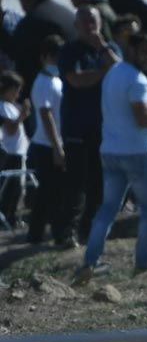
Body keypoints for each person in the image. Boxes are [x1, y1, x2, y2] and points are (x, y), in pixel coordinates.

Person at [74, 32, 147, 284]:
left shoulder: (114, 73)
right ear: (130, 50)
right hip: (137, 152)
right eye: (144, 51)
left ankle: (91, 261)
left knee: (108, 207)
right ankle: (143, 263)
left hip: (110, 151)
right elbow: (142, 119)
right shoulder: (138, 80)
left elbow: (131, 109)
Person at [58, 6, 121, 246]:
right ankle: (66, 231)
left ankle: (90, 229)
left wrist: (102, 48)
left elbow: (119, 73)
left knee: (98, 181)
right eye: (83, 21)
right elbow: (77, 80)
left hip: (103, 127)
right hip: (76, 125)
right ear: (76, 25)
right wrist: (103, 73)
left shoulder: (109, 49)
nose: (89, 25)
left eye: (92, 20)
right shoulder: (70, 51)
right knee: (75, 182)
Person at [26, 35, 69, 244]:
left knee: (47, 192)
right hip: (46, 144)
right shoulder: (43, 82)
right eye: (54, 57)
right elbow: (45, 114)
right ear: (44, 57)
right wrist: (57, 146)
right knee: (54, 192)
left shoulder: (57, 80)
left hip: (55, 142)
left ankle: (35, 234)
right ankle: (59, 234)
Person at [13, 0, 76, 93]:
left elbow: (22, 64)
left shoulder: (29, 23)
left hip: (47, 93)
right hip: (75, 85)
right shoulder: (68, 14)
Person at [0, 71, 30, 229]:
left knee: (20, 188)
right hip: (9, 153)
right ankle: (7, 217)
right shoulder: (2, 107)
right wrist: (22, 116)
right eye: (15, 90)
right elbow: (10, 129)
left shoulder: (12, 106)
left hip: (19, 152)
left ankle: (14, 216)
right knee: (11, 188)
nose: (18, 94)